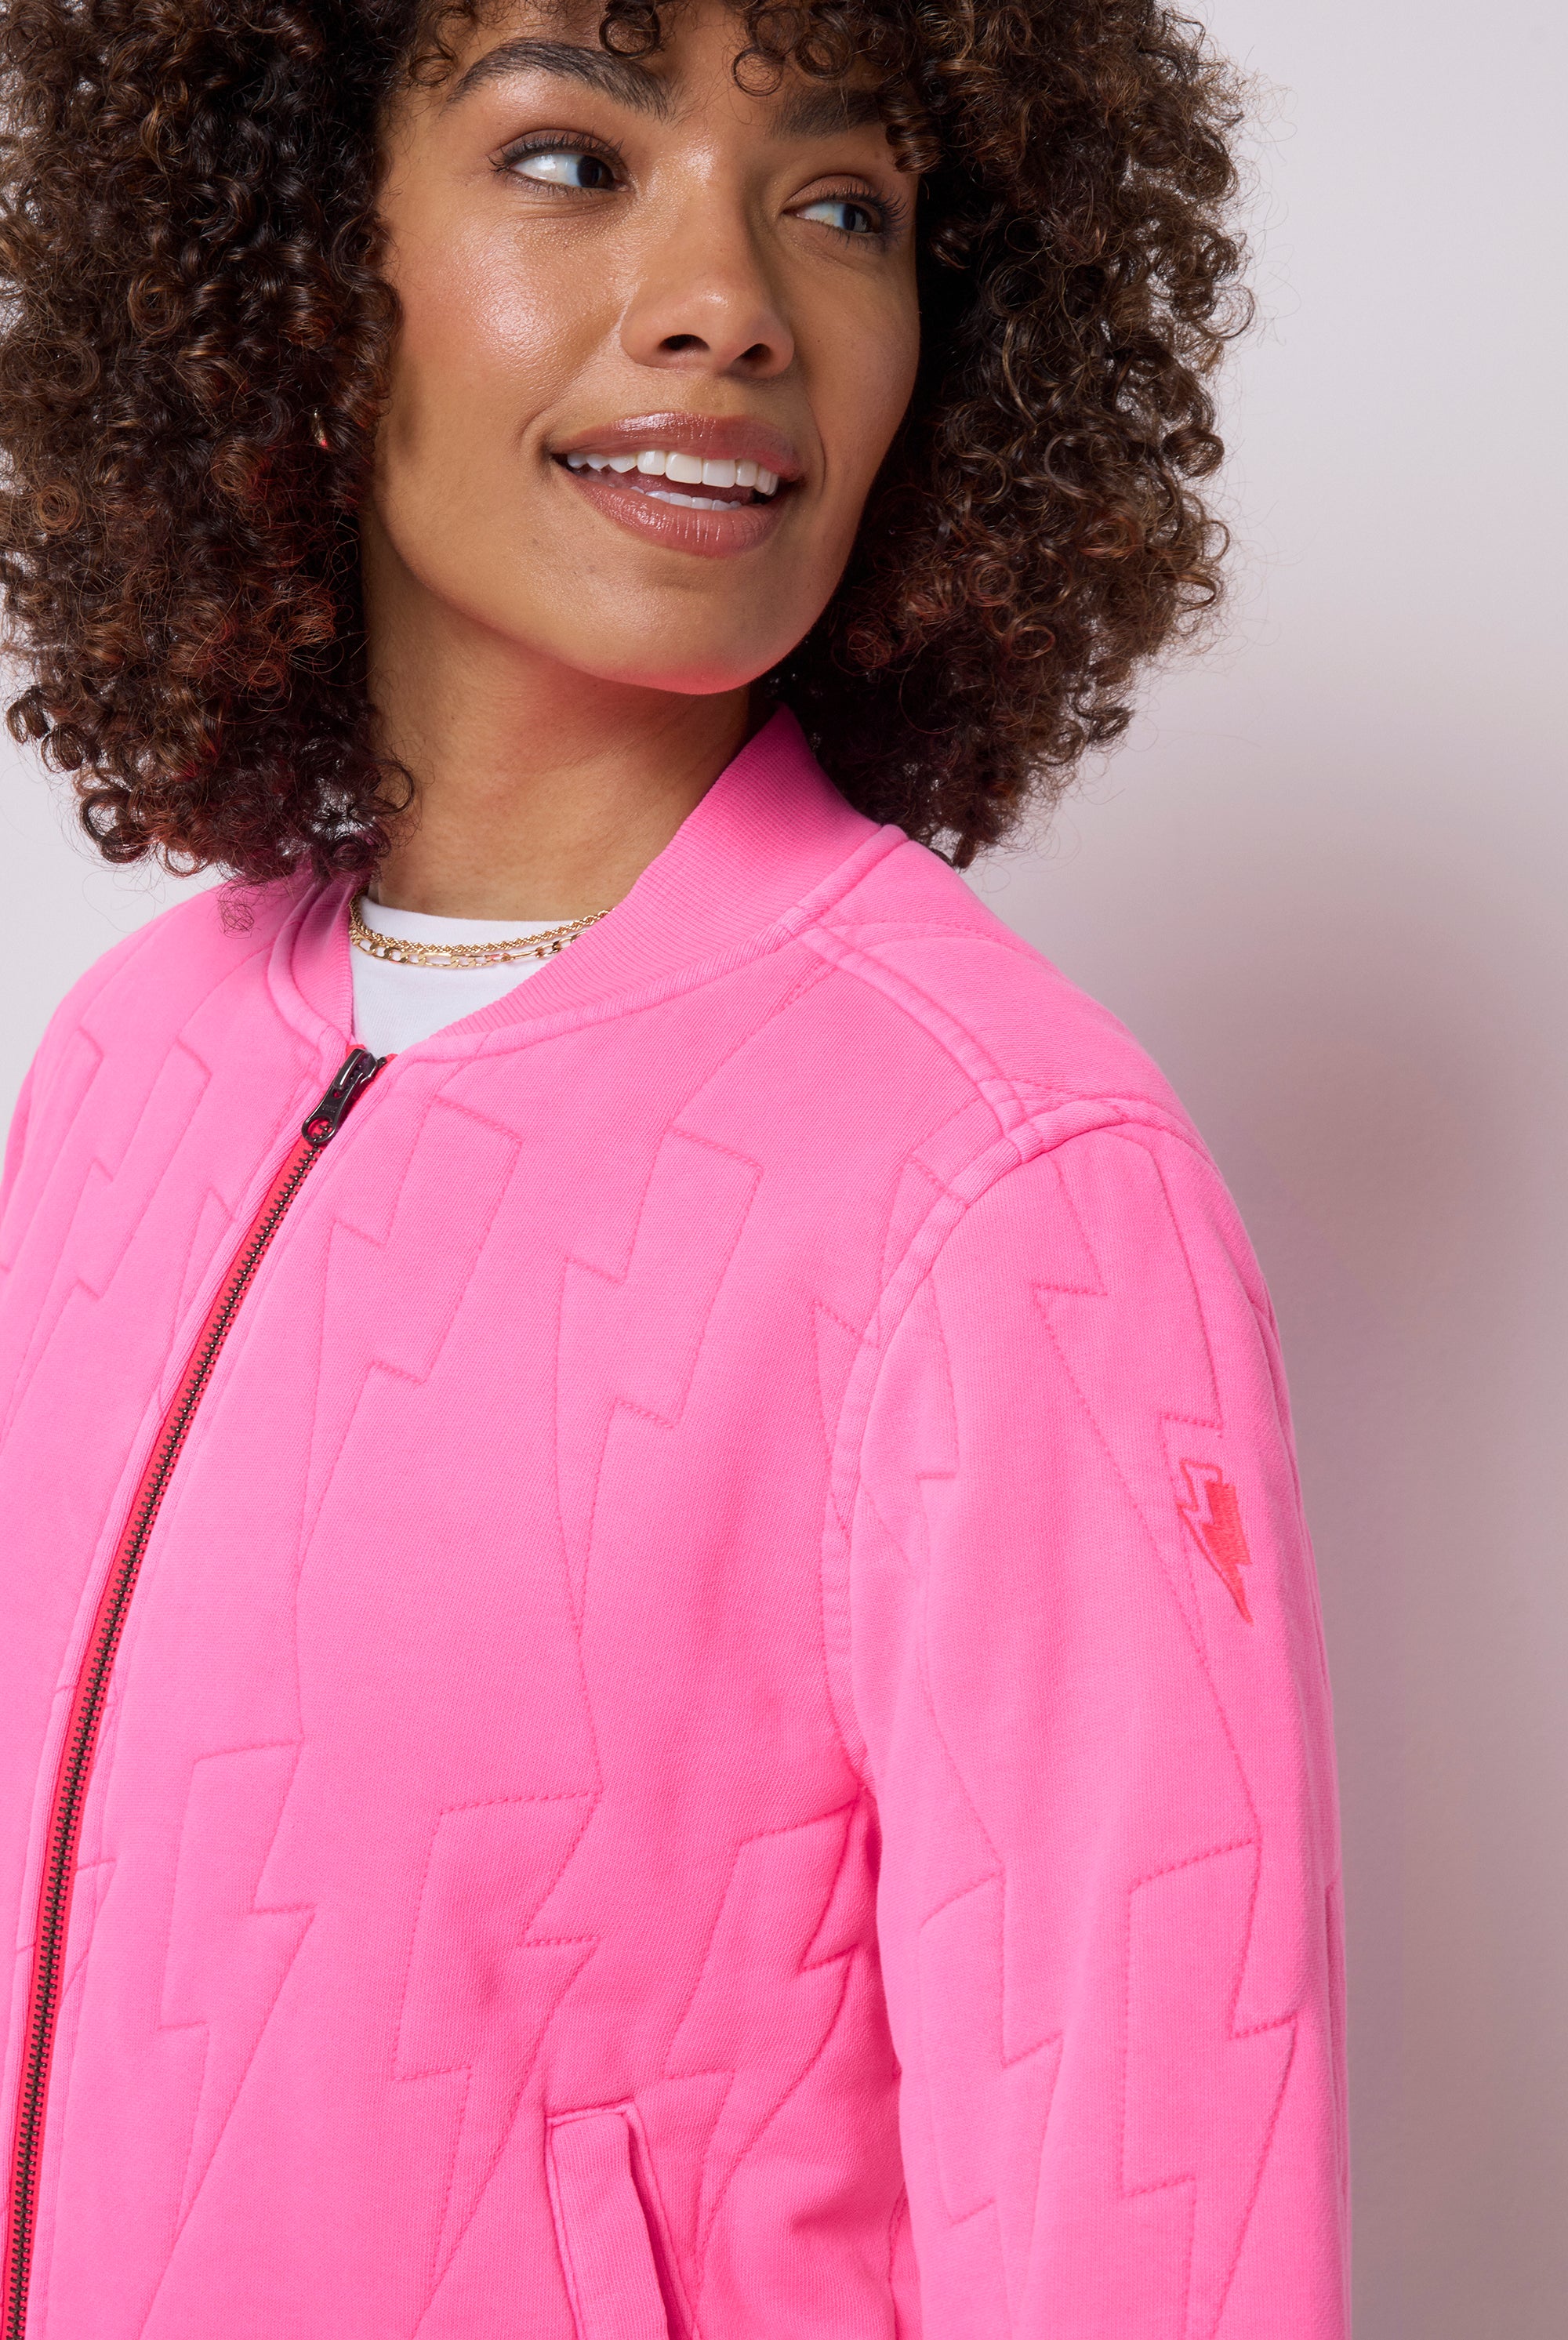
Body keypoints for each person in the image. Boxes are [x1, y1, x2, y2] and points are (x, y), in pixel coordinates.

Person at [0, 0, 1348, 2331]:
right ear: (300, 256)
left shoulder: (1009, 1189)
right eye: (570, 159)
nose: (733, 300)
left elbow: (1160, 2246)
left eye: (842, 205)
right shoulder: (133, 1063)